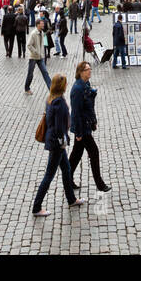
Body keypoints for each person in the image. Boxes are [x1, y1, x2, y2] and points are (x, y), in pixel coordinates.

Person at [32, 73, 79, 216]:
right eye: (65, 83)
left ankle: (71, 199)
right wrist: (63, 142)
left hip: (55, 142)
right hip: (57, 144)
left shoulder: (50, 99)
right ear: (62, 86)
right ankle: (36, 207)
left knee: (66, 169)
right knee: (49, 175)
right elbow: (59, 128)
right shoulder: (59, 102)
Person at [68, 60, 110, 193]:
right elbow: (76, 112)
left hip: (86, 124)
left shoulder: (86, 84)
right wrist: (79, 133)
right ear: (81, 72)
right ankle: (100, 184)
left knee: (76, 154)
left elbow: (89, 106)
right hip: (82, 127)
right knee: (94, 152)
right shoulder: (77, 89)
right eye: (87, 69)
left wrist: (94, 120)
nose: (90, 71)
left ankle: (67, 179)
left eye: (90, 69)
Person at [24, 19, 51, 92]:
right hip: (33, 57)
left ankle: (51, 89)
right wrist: (36, 52)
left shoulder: (42, 32)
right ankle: (27, 88)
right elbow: (29, 45)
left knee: (45, 72)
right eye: (42, 24)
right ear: (38, 25)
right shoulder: (33, 33)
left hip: (40, 57)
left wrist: (42, 53)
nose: (43, 25)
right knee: (30, 74)